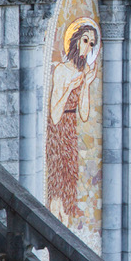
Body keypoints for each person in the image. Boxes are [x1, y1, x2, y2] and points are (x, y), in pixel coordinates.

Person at [46, 18, 100, 224]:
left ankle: (65, 223)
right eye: (85, 40)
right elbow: (54, 115)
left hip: (70, 132)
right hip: (57, 133)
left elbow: (84, 115)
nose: (87, 47)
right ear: (75, 40)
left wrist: (86, 84)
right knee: (57, 185)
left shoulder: (83, 73)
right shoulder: (61, 70)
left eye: (91, 44)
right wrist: (69, 87)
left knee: (70, 183)